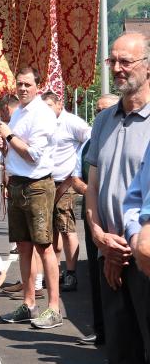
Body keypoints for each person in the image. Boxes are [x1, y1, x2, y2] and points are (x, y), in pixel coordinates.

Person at [75, 33, 150, 364]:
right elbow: (93, 186)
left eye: (126, 61)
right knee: (121, 355)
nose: (118, 68)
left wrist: (133, 240)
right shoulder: (103, 120)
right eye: (113, 61)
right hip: (111, 254)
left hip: (146, 256)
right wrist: (100, 236)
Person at [0, 66, 61, 330]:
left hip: (38, 186)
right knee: (23, 247)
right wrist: (2, 145)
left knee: (44, 246)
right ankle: (29, 303)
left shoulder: (42, 114)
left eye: (27, 84)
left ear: (37, 86)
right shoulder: (18, 112)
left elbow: (33, 154)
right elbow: (11, 150)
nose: (22, 88)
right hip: (17, 184)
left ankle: (53, 307)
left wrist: (8, 135)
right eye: (19, 84)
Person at [72, 94, 119, 346]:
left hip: (119, 218)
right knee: (97, 274)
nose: (100, 114)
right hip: (94, 218)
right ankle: (100, 330)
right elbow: (77, 177)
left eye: (106, 109)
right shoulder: (90, 143)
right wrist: (89, 190)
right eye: (98, 110)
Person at [41, 91, 91, 291]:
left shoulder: (72, 122)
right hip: (46, 181)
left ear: (59, 104)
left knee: (67, 229)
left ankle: (71, 274)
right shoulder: (43, 123)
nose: (46, 111)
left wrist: (77, 168)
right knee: (50, 231)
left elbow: (90, 141)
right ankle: (55, 271)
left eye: (49, 106)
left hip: (66, 182)